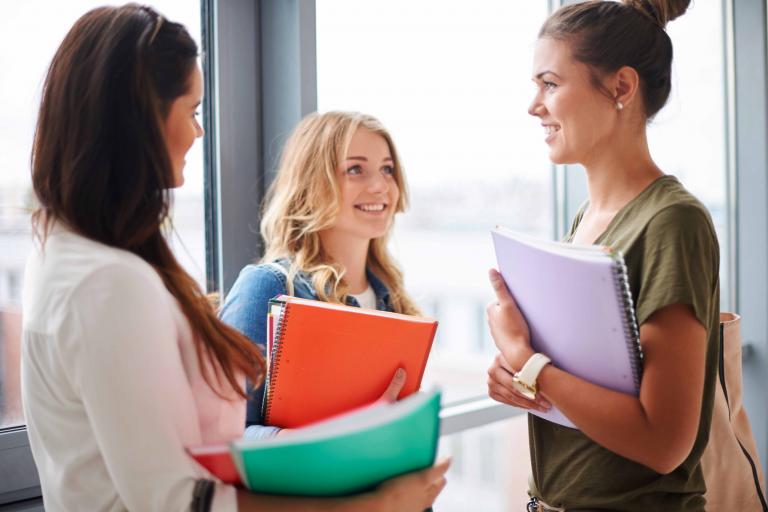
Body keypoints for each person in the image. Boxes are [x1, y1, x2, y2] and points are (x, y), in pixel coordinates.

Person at [21, 4, 448, 511]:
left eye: (386, 168)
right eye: (194, 110)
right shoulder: (111, 282)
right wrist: (372, 502)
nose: (199, 133)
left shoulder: (75, 258)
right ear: (141, 120)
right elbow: (183, 497)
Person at [485, 1, 719, 510]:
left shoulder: (672, 222)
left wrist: (529, 363)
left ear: (621, 87)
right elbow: (585, 387)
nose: (534, 105)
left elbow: (663, 443)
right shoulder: (585, 221)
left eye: (550, 84)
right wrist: (514, 375)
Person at [220, 111, 421, 438]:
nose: (380, 185)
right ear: (312, 182)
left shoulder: (393, 299)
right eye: (355, 169)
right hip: (303, 489)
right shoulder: (268, 287)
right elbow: (225, 432)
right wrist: (328, 438)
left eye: (387, 169)